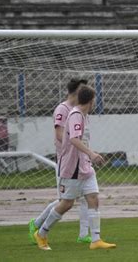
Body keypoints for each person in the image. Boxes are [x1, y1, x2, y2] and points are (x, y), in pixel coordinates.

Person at [33, 85, 116, 250]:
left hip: (85, 167)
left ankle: (96, 240)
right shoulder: (76, 115)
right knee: (66, 204)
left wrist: (89, 155)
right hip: (72, 168)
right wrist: (91, 153)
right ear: (91, 101)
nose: (95, 102)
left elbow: (81, 140)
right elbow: (74, 140)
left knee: (93, 198)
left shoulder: (84, 116)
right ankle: (41, 233)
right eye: (95, 99)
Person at [28, 79, 93, 245]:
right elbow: (59, 134)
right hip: (67, 162)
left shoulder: (79, 110)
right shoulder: (63, 109)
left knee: (86, 197)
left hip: (80, 161)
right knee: (64, 201)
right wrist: (74, 145)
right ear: (76, 91)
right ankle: (36, 225)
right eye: (83, 88)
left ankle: (84, 234)